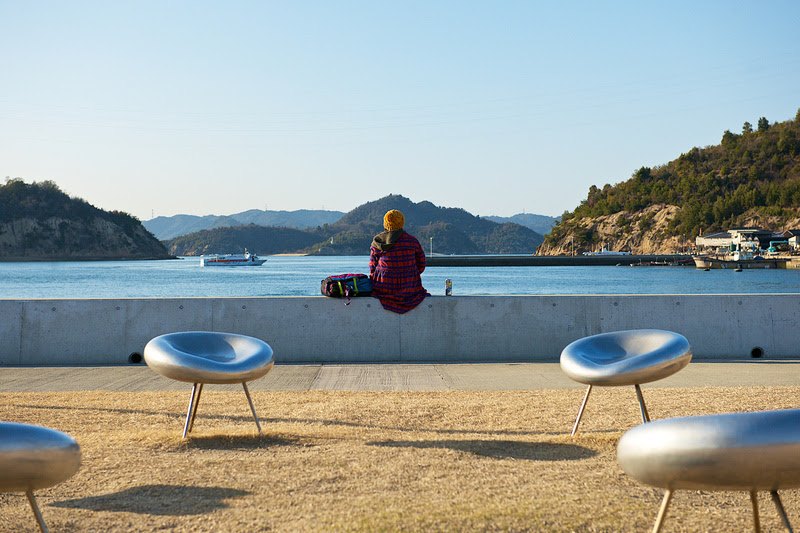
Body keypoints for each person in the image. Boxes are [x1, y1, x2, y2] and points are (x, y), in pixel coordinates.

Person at [369, 210, 430, 313]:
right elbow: (421, 265)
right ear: (402, 222)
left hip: (383, 289)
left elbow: (372, 268)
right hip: (410, 289)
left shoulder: (378, 242)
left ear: (385, 223)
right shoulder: (412, 241)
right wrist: (407, 273)